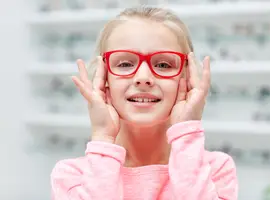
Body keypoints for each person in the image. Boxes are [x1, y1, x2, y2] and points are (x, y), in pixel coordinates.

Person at [50, 6, 238, 200]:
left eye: (163, 65)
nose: (143, 77)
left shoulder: (216, 171)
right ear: (103, 77)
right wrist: (102, 137)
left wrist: (187, 131)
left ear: (188, 76)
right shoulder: (73, 177)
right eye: (125, 64)